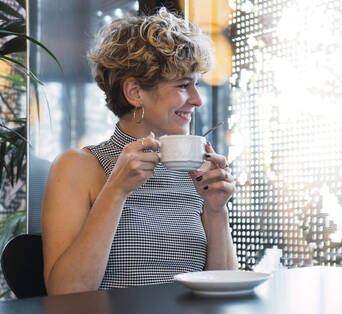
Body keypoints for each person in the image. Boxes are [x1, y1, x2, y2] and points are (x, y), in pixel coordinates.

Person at [41, 7, 238, 296]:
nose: (197, 100)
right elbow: (66, 293)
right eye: (184, 85)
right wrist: (116, 189)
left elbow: (221, 291)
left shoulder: (196, 174)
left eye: (197, 85)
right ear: (134, 92)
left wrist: (216, 209)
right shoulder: (78, 166)